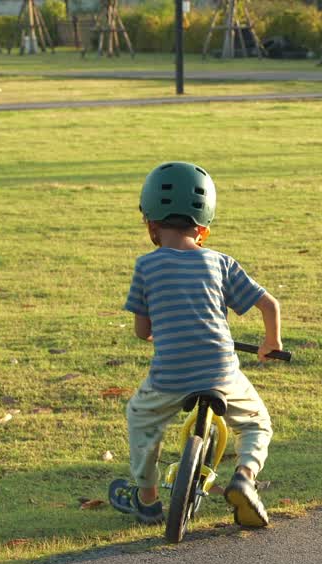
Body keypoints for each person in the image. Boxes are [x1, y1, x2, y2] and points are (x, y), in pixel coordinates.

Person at [110, 161, 283, 529]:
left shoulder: (147, 266)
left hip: (170, 376)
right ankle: (245, 478)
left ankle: (147, 498)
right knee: (256, 424)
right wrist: (271, 341)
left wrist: (160, 332)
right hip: (221, 370)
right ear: (203, 228)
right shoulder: (220, 262)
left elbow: (143, 330)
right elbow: (269, 304)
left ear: (151, 225)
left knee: (142, 419)